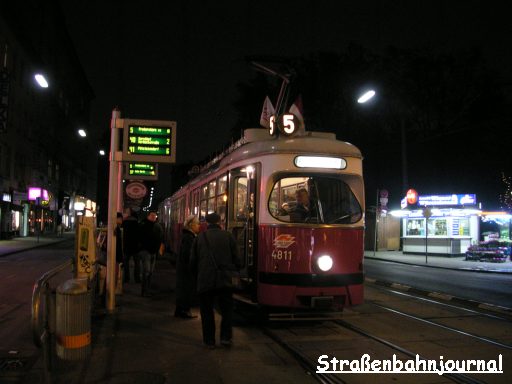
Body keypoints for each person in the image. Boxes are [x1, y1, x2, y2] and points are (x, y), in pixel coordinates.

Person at [190, 212, 240, 349]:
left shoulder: (199, 238)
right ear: (220, 222)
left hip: (205, 280)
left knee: (206, 312)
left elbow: (192, 261)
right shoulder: (228, 236)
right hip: (224, 280)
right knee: (227, 310)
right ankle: (225, 338)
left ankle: (209, 341)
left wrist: (198, 276)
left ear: (206, 223)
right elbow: (237, 259)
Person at [174, 215, 201, 318]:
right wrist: (193, 266)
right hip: (186, 270)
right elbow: (188, 255)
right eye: (197, 224)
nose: (199, 226)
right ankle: (184, 311)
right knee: (187, 290)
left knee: (183, 289)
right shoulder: (190, 237)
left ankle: (180, 310)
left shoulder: (187, 236)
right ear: (191, 225)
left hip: (183, 269)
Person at [138, 210, 163, 297]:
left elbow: (160, 238)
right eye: (152, 216)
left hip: (153, 251)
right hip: (145, 251)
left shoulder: (157, 226)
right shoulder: (143, 225)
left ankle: (147, 289)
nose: (153, 217)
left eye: (155, 216)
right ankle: (144, 291)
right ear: (148, 216)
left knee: (150, 272)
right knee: (147, 271)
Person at [122, 208, 141, 283]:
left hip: (126, 245)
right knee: (137, 263)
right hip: (135, 246)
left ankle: (127, 278)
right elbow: (139, 235)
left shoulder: (124, 223)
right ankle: (137, 279)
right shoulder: (137, 223)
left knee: (126, 263)